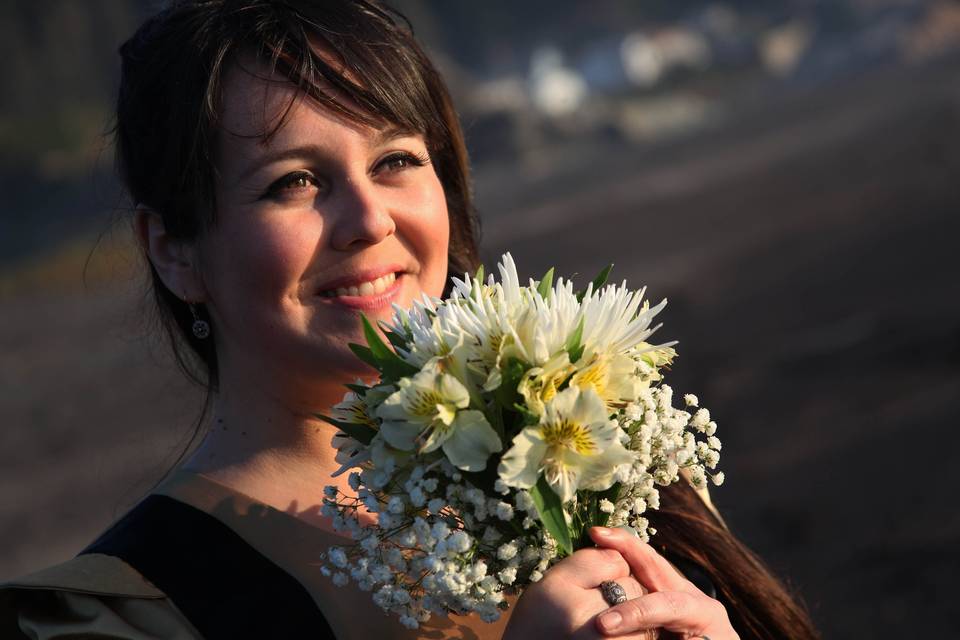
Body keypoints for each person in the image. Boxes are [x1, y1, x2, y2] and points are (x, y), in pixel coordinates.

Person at [0, 2, 819, 639]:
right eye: (292, 182)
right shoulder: (132, 610)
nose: (368, 219)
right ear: (174, 250)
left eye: (395, 161)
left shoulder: (597, 451)